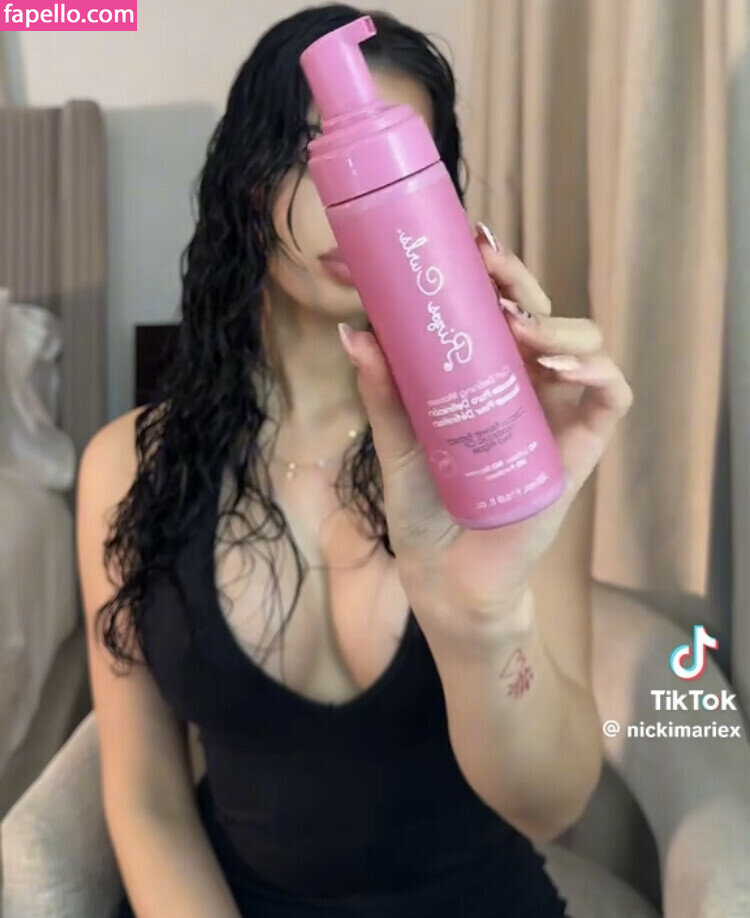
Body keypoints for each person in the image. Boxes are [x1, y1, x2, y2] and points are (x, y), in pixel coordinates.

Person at [77, 5, 633, 917]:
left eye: (397, 157)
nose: (352, 194)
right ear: (244, 178)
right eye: (312, 150)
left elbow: (552, 804)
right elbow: (146, 800)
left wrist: (483, 618)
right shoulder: (129, 466)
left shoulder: (505, 442)